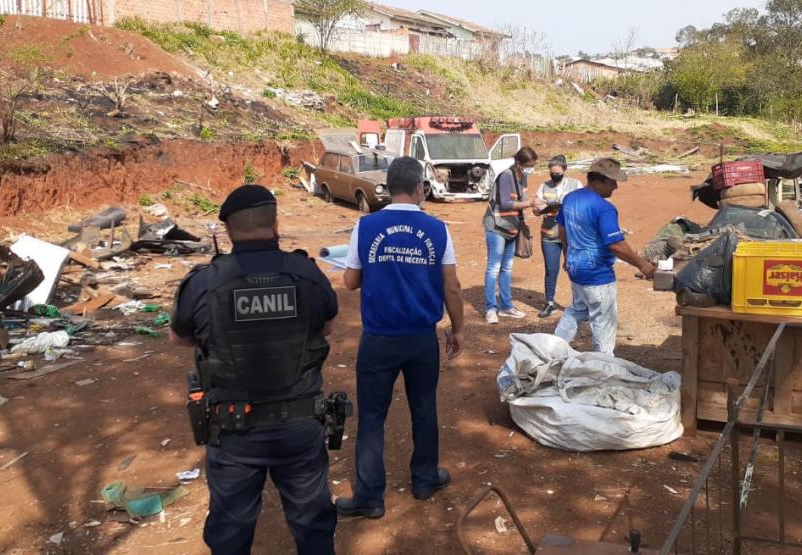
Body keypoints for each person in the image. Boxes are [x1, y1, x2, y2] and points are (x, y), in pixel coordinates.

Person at [170, 184, 338, 554]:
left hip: (234, 429)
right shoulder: (308, 275)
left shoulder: (204, 283)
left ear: (228, 230)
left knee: (230, 534)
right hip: (299, 426)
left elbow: (180, 338)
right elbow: (326, 327)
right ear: (275, 224)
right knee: (314, 529)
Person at [337, 156, 464, 518]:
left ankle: (369, 497)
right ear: (420, 187)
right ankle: (424, 480)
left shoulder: (366, 226)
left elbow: (350, 281)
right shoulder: (438, 229)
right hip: (421, 338)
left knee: (372, 417)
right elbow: (451, 286)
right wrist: (458, 329)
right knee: (424, 409)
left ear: (389, 187)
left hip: (378, 338)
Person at [553, 158, 656, 355]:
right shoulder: (604, 208)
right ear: (598, 181)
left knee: (577, 309)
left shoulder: (570, 198)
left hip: (576, 268)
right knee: (603, 322)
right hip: (597, 273)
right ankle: (603, 362)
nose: (615, 187)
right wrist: (642, 265)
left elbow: (562, 230)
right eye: (612, 182)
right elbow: (615, 244)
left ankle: (550, 350)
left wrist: (567, 255)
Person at [482, 146, 538, 324]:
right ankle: (491, 308)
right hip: (497, 227)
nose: (531, 168)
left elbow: (522, 200)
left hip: (512, 227)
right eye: (528, 165)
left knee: (507, 268)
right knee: (494, 268)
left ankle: (505, 306)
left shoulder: (523, 177)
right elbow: (506, 203)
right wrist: (529, 203)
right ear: (519, 163)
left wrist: (537, 204)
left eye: (533, 165)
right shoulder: (506, 176)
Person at [532, 154, 582, 318]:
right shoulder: (543, 186)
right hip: (549, 235)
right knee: (551, 270)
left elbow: (582, 208)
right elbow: (535, 210)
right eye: (552, 173)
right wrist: (541, 209)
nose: (555, 176)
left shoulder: (576, 185)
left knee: (574, 269)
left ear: (565, 170)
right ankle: (550, 303)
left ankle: (579, 303)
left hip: (571, 235)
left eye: (558, 173)